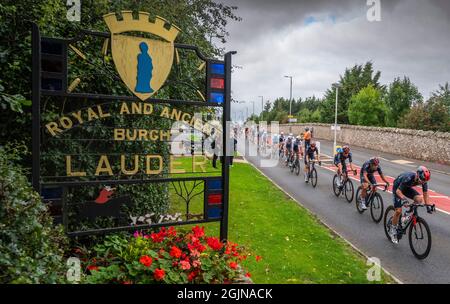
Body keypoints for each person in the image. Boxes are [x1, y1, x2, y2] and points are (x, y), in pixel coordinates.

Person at [389, 166, 434, 244]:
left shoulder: (423, 180)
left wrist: (428, 206)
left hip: (407, 188)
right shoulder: (408, 177)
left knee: (419, 199)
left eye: (424, 181)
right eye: (421, 180)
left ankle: (407, 214)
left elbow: (425, 194)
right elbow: (398, 192)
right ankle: (392, 230)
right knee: (398, 211)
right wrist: (404, 199)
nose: (422, 182)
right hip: (397, 188)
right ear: (417, 175)